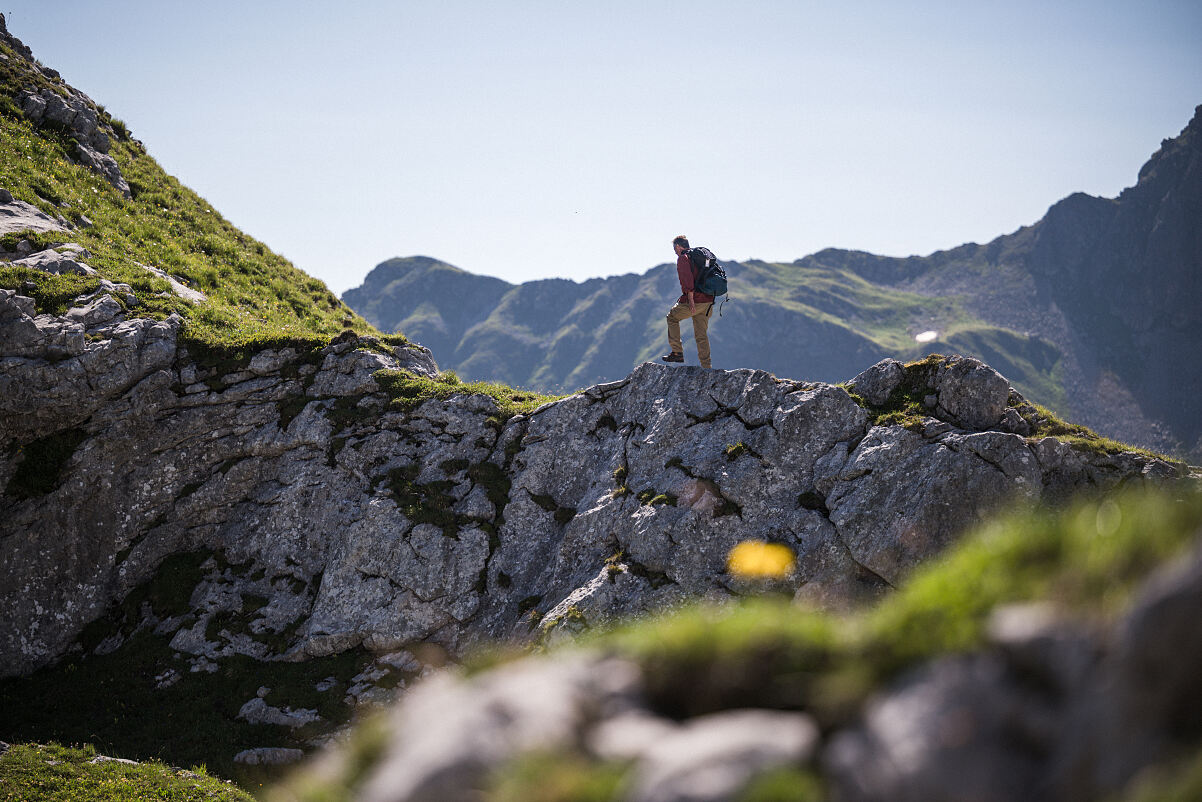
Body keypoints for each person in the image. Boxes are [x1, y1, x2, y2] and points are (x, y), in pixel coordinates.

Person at [661, 235, 714, 368]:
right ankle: (707, 367)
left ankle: (677, 352)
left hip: (694, 301)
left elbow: (687, 280)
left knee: (672, 317)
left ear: (679, 246)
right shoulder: (699, 258)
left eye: (674, 248)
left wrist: (690, 300)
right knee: (701, 335)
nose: (674, 251)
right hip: (708, 301)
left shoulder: (683, 259)